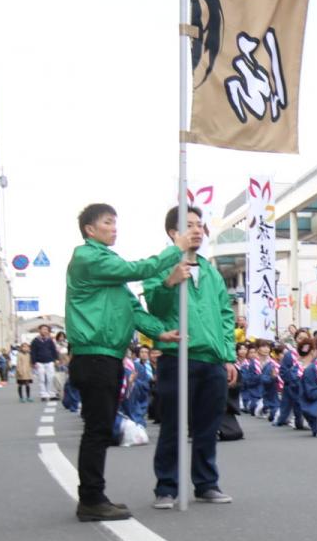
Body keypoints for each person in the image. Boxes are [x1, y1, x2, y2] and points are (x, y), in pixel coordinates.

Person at [66, 203, 186, 521]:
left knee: (101, 428)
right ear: (90, 229)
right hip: (94, 355)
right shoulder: (88, 257)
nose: (114, 228)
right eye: (108, 222)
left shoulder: (109, 271)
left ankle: (94, 496)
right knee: (97, 429)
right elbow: (138, 269)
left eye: (116, 223)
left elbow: (134, 311)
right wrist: (175, 250)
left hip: (108, 355)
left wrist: (163, 333)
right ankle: (90, 499)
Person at [144, 205, 238, 509]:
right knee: (173, 424)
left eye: (200, 225)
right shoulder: (160, 266)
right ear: (174, 233)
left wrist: (228, 355)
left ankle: (206, 483)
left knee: (208, 426)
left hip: (211, 359)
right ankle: (166, 487)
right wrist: (169, 282)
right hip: (177, 356)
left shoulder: (211, 272)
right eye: (190, 225)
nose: (197, 230)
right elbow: (154, 309)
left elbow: (225, 316)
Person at [30, 324, 59, 401]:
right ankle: (43, 393)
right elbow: (33, 352)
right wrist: (33, 362)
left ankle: (50, 392)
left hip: (49, 361)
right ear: (39, 330)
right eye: (43, 329)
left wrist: (56, 359)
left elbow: (54, 350)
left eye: (46, 329)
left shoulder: (50, 340)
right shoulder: (35, 341)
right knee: (41, 378)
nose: (45, 331)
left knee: (50, 377)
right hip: (39, 362)